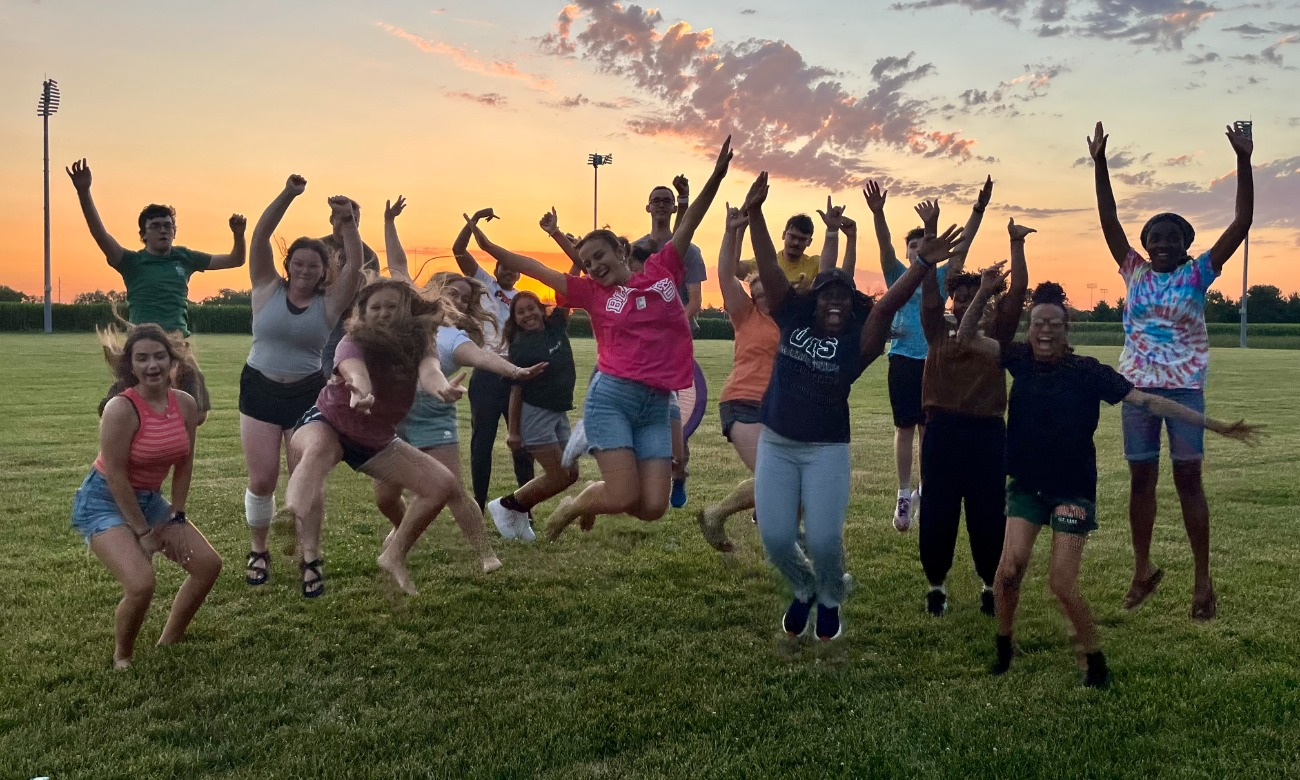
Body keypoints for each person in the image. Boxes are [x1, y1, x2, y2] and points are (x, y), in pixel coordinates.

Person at [990, 281, 1260, 687]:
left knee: (1061, 582)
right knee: (1009, 572)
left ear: (1067, 330)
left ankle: (1094, 660)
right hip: (1027, 486)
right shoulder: (1018, 359)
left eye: (1054, 324)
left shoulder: (1089, 372)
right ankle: (1004, 647)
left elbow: (1149, 401)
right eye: (1038, 323)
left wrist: (1213, 425)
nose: (1045, 331)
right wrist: (985, 293)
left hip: (1072, 490)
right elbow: (972, 341)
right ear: (1030, 328)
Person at [469, 136, 735, 538]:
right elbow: (537, 268)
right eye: (586, 262)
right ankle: (572, 506)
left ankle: (586, 497)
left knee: (652, 508)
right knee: (624, 495)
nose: (593, 266)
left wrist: (715, 177)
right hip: (612, 399)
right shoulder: (593, 294)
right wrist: (490, 247)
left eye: (599, 256)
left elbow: (691, 221)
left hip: (657, 405)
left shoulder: (663, 270)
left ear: (621, 252)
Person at [746, 169, 966, 642]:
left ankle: (828, 598)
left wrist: (922, 265)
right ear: (814, 298)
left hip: (827, 450)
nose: (835, 303)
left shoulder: (859, 343)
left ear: (852, 305)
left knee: (824, 539)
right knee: (777, 539)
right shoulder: (790, 318)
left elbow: (886, 307)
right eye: (828, 294)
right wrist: (757, 215)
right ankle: (803, 587)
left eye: (844, 298)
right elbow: (768, 271)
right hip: (778, 444)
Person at [1088, 121, 1254, 621]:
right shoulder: (1133, 270)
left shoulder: (1196, 273)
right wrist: (1099, 164)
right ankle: (1142, 571)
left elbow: (1241, 224)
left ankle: (1203, 583)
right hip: (1136, 393)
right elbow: (1108, 218)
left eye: (1172, 238)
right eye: (1154, 238)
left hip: (1184, 392)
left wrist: (1244, 160)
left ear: (1186, 244)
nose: (1161, 243)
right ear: (1143, 245)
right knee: (1141, 482)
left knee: (1188, 482)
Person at [380, 201, 546, 546]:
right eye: (451, 291)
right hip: (394, 410)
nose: (455, 297)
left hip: (441, 407)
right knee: (385, 495)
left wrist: (516, 370)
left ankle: (501, 531)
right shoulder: (414, 309)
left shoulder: (459, 335)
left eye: (463, 296)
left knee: (459, 480)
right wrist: (389, 221)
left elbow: (483, 357)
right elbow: (398, 267)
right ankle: (402, 529)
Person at [71, 323, 219, 669]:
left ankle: (170, 639)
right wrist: (143, 533)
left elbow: (185, 463)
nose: (151, 365)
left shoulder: (184, 404)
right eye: (142, 359)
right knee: (141, 584)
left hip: (149, 498)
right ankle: (123, 655)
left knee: (207, 566)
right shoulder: (121, 409)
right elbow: (117, 477)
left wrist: (178, 516)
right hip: (104, 498)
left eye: (159, 356)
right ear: (131, 366)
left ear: (173, 362)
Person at [241, 178, 365, 587]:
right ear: (288, 264)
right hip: (259, 388)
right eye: (299, 263)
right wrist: (289, 194)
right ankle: (259, 551)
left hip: (306, 394)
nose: (306, 270)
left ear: (323, 269)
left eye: (314, 265)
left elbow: (355, 263)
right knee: (262, 480)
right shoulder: (265, 286)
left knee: (305, 476)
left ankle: (310, 556)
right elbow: (260, 235)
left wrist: (347, 222)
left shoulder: (330, 303)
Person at [66, 158, 247, 425]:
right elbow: (100, 235)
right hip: (142, 343)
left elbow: (236, 260)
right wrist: (84, 192)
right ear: (143, 234)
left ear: (174, 231)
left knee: (198, 413)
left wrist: (238, 235)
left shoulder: (185, 257)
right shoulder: (131, 262)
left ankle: (164, 437)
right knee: (113, 410)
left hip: (178, 344)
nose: (163, 230)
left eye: (168, 225)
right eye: (156, 226)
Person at [915, 205, 1031, 617]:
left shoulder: (996, 334)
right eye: (959, 298)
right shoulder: (937, 332)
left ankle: (988, 584)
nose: (965, 304)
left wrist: (1016, 245)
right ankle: (937, 586)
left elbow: (1017, 294)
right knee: (938, 511)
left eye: (972, 297)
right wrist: (929, 238)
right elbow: (928, 294)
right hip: (943, 431)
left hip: (986, 434)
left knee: (987, 513)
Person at [865, 177, 990, 531]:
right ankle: (904, 495)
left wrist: (977, 210)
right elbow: (885, 245)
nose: (919, 248)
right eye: (914, 245)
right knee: (905, 428)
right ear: (909, 252)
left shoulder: (941, 276)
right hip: (903, 359)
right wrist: (878, 213)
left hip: (935, 360)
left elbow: (963, 245)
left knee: (929, 431)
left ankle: (925, 490)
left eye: (925, 242)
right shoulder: (896, 274)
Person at [696, 202, 780, 552]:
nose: (760, 296)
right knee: (776, 477)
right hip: (742, 402)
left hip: (780, 408)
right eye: (755, 292)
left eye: (766, 291)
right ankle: (718, 512)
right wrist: (733, 230)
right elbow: (725, 275)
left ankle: (785, 544)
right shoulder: (746, 315)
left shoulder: (792, 319)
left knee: (794, 484)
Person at [452, 208, 536, 509]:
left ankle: (525, 505)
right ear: (497, 268)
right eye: (506, 268)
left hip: (516, 374)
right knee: (482, 442)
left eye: (515, 270)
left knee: (521, 444)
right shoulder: (484, 283)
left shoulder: (524, 301)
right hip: (487, 372)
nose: (510, 273)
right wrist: (472, 223)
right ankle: (478, 502)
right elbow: (459, 250)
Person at [633, 176, 708, 507]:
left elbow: (695, 302)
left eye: (668, 200)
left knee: (675, 411)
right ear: (647, 206)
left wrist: (671, 328)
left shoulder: (689, 252)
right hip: (641, 345)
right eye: (657, 199)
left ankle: (679, 476)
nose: (661, 204)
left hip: (674, 344)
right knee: (638, 408)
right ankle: (639, 479)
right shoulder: (634, 250)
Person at [486, 291, 580, 534]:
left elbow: (568, 293)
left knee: (571, 475)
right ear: (515, 319)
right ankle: (507, 505)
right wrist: (513, 432)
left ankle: (514, 508)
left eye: (531, 308)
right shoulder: (522, 348)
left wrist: (576, 261)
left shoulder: (555, 327)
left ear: (540, 309)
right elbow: (515, 391)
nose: (528, 314)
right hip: (535, 416)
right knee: (559, 475)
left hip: (558, 412)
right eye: (521, 312)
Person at [318, 198, 381, 379]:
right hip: (322, 317)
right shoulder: (319, 248)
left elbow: (371, 290)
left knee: (349, 362)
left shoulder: (368, 254)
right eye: (345, 218)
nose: (350, 222)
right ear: (332, 219)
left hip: (352, 319)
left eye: (354, 219)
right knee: (323, 364)